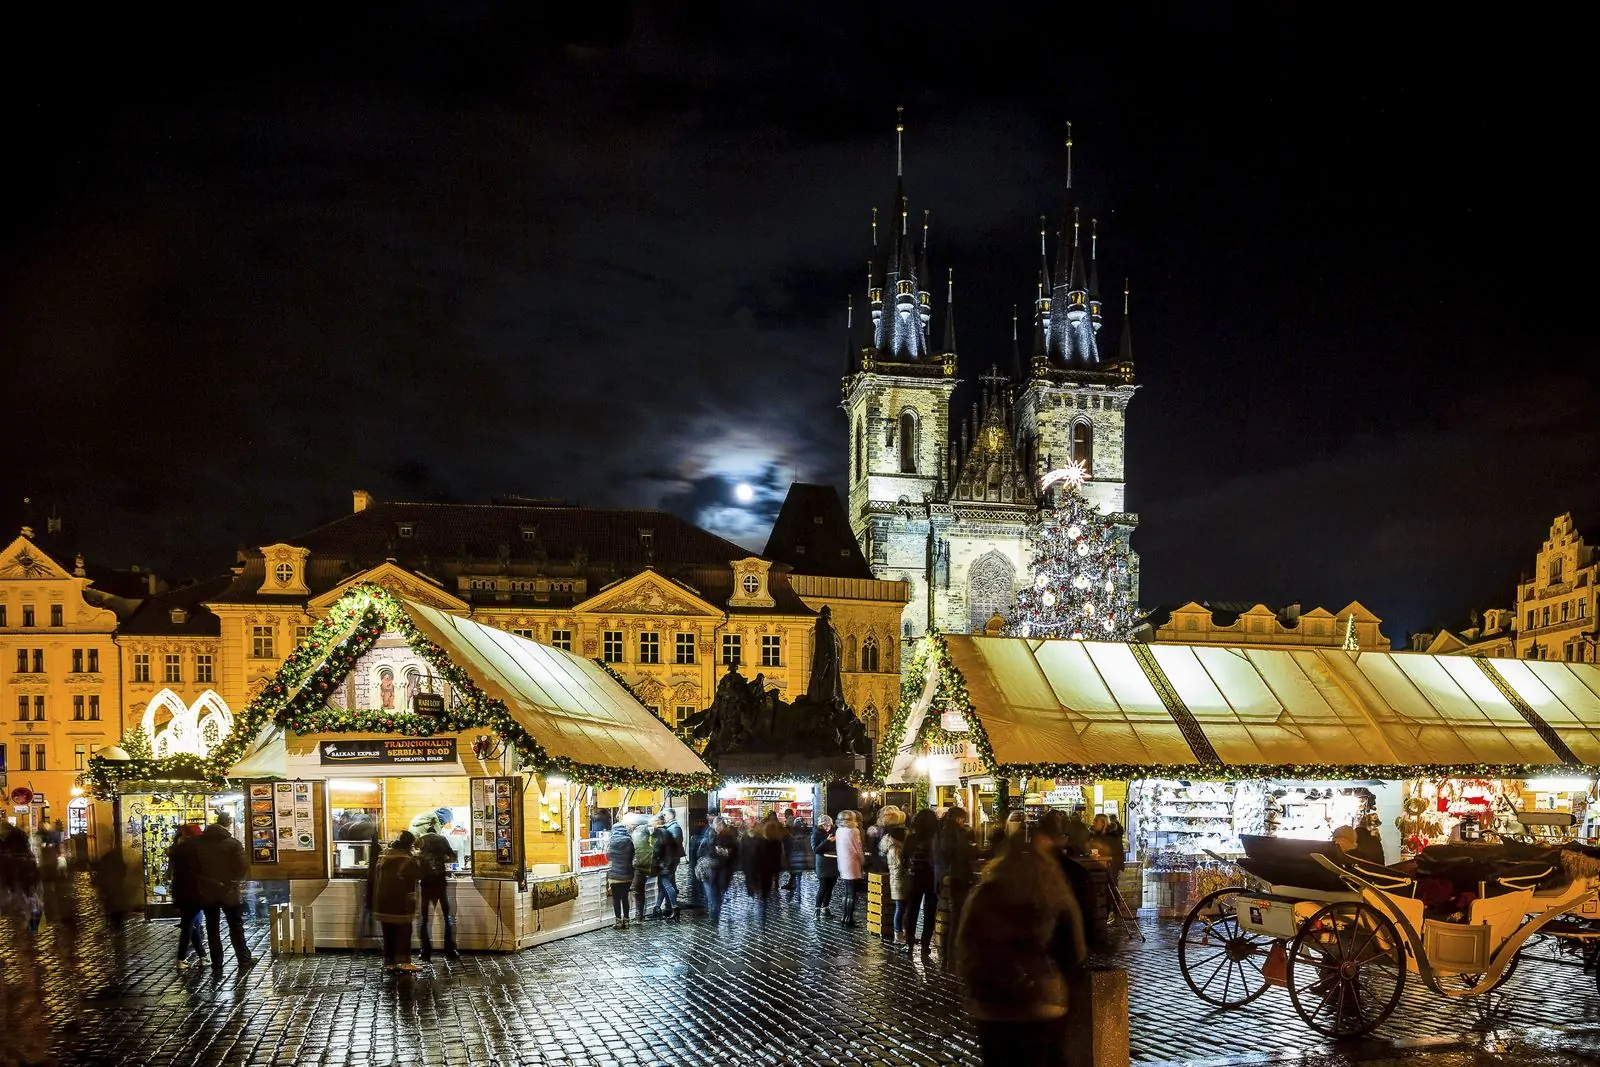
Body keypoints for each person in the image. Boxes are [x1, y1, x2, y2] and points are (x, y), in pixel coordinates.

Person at [956, 809, 1088, 1067]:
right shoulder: (1052, 893)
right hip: (1042, 1001)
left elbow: (964, 945)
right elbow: (1074, 949)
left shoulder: (986, 893)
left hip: (992, 1005)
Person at [195, 811, 255, 973]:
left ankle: (217, 962)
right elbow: (243, 865)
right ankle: (243, 958)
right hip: (229, 890)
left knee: (212, 927)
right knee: (235, 925)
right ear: (227, 824)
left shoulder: (199, 845)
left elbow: (195, 867)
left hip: (207, 891)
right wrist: (234, 880)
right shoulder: (233, 844)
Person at [933, 806, 976, 968]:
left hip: (943, 878)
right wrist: (971, 849)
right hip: (954, 878)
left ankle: (946, 956)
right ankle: (949, 957)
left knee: (947, 918)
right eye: (962, 819)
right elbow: (954, 852)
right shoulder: (951, 831)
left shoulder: (941, 829)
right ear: (958, 818)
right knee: (954, 918)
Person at [372, 831, 422, 972]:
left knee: (388, 933)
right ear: (409, 845)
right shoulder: (406, 859)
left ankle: (389, 962)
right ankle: (404, 962)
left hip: (382, 902)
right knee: (404, 933)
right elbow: (419, 874)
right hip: (401, 903)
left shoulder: (384, 856)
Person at [414, 811, 459, 962]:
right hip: (440, 883)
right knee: (447, 918)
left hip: (426, 883)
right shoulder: (442, 839)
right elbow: (453, 857)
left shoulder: (420, 840)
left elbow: (414, 856)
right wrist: (443, 858)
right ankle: (449, 950)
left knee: (424, 919)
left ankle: (425, 951)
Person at [167, 823, 208, 968]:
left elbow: (171, 873)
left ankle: (203, 956)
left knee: (193, 924)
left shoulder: (177, 851)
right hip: (193, 892)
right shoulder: (195, 851)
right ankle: (180, 958)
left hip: (180, 892)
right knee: (189, 925)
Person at [901, 809, 939, 954]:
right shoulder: (936, 838)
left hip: (914, 877)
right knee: (929, 912)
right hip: (932, 878)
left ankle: (909, 943)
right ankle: (925, 945)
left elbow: (904, 858)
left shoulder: (912, 838)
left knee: (911, 911)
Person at [696, 816, 737, 921]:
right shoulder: (710, 835)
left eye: (719, 825)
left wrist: (724, 852)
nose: (718, 827)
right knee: (714, 897)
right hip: (712, 870)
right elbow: (701, 852)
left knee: (715, 897)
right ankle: (713, 917)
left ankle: (714, 918)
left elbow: (733, 853)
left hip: (718, 871)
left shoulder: (726, 837)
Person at [878, 807, 908, 945]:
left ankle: (905, 932)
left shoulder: (900, 838)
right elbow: (897, 863)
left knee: (905, 907)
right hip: (898, 878)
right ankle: (898, 934)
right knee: (900, 907)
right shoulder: (892, 842)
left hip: (904, 877)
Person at [749, 815, 785, 922]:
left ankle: (761, 919)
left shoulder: (761, 843)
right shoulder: (777, 843)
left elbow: (754, 859)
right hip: (769, 873)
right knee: (764, 895)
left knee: (761, 897)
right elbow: (778, 859)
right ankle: (762, 916)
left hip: (761, 873)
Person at [835, 810, 865, 927]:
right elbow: (857, 848)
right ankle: (849, 919)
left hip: (842, 862)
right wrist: (862, 860)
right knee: (852, 892)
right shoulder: (853, 831)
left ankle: (844, 916)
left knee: (846, 891)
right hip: (852, 862)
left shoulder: (839, 830)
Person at [606, 818, 636, 928]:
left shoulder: (611, 841)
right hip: (627, 873)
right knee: (625, 897)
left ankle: (618, 921)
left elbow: (607, 856)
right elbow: (633, 855)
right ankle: (626, 921)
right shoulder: (629, 841)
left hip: (614, 874)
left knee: (616, 898)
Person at [655, 809, 684, 919]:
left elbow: (673, 845)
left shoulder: (674, 828)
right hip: (668, 859)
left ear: (671, 816)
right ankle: (661, 907)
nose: (664, 817)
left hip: (669, 860)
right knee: (665, 883)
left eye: (665, 815)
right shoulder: (668, 828)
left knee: (667, 883)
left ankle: (673, 907)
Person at [631, 815, 659, 921]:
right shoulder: (641, 834)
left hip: (640, 866)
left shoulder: (639, 833)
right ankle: (639, 914)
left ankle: (639, 915)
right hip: (642, 866)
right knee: (639, 891)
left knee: (638, 891)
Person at [812, 814, 839, 917]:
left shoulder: (833, 832)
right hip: (823, 865)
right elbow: (816, 850)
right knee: (823, 887)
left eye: (829, 825)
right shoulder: (816, 834)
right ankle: (817, 909)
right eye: (825, 825)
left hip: (833, 863)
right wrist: (827, 841)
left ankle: (826, 908)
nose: (827, 827)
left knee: (830, 888)